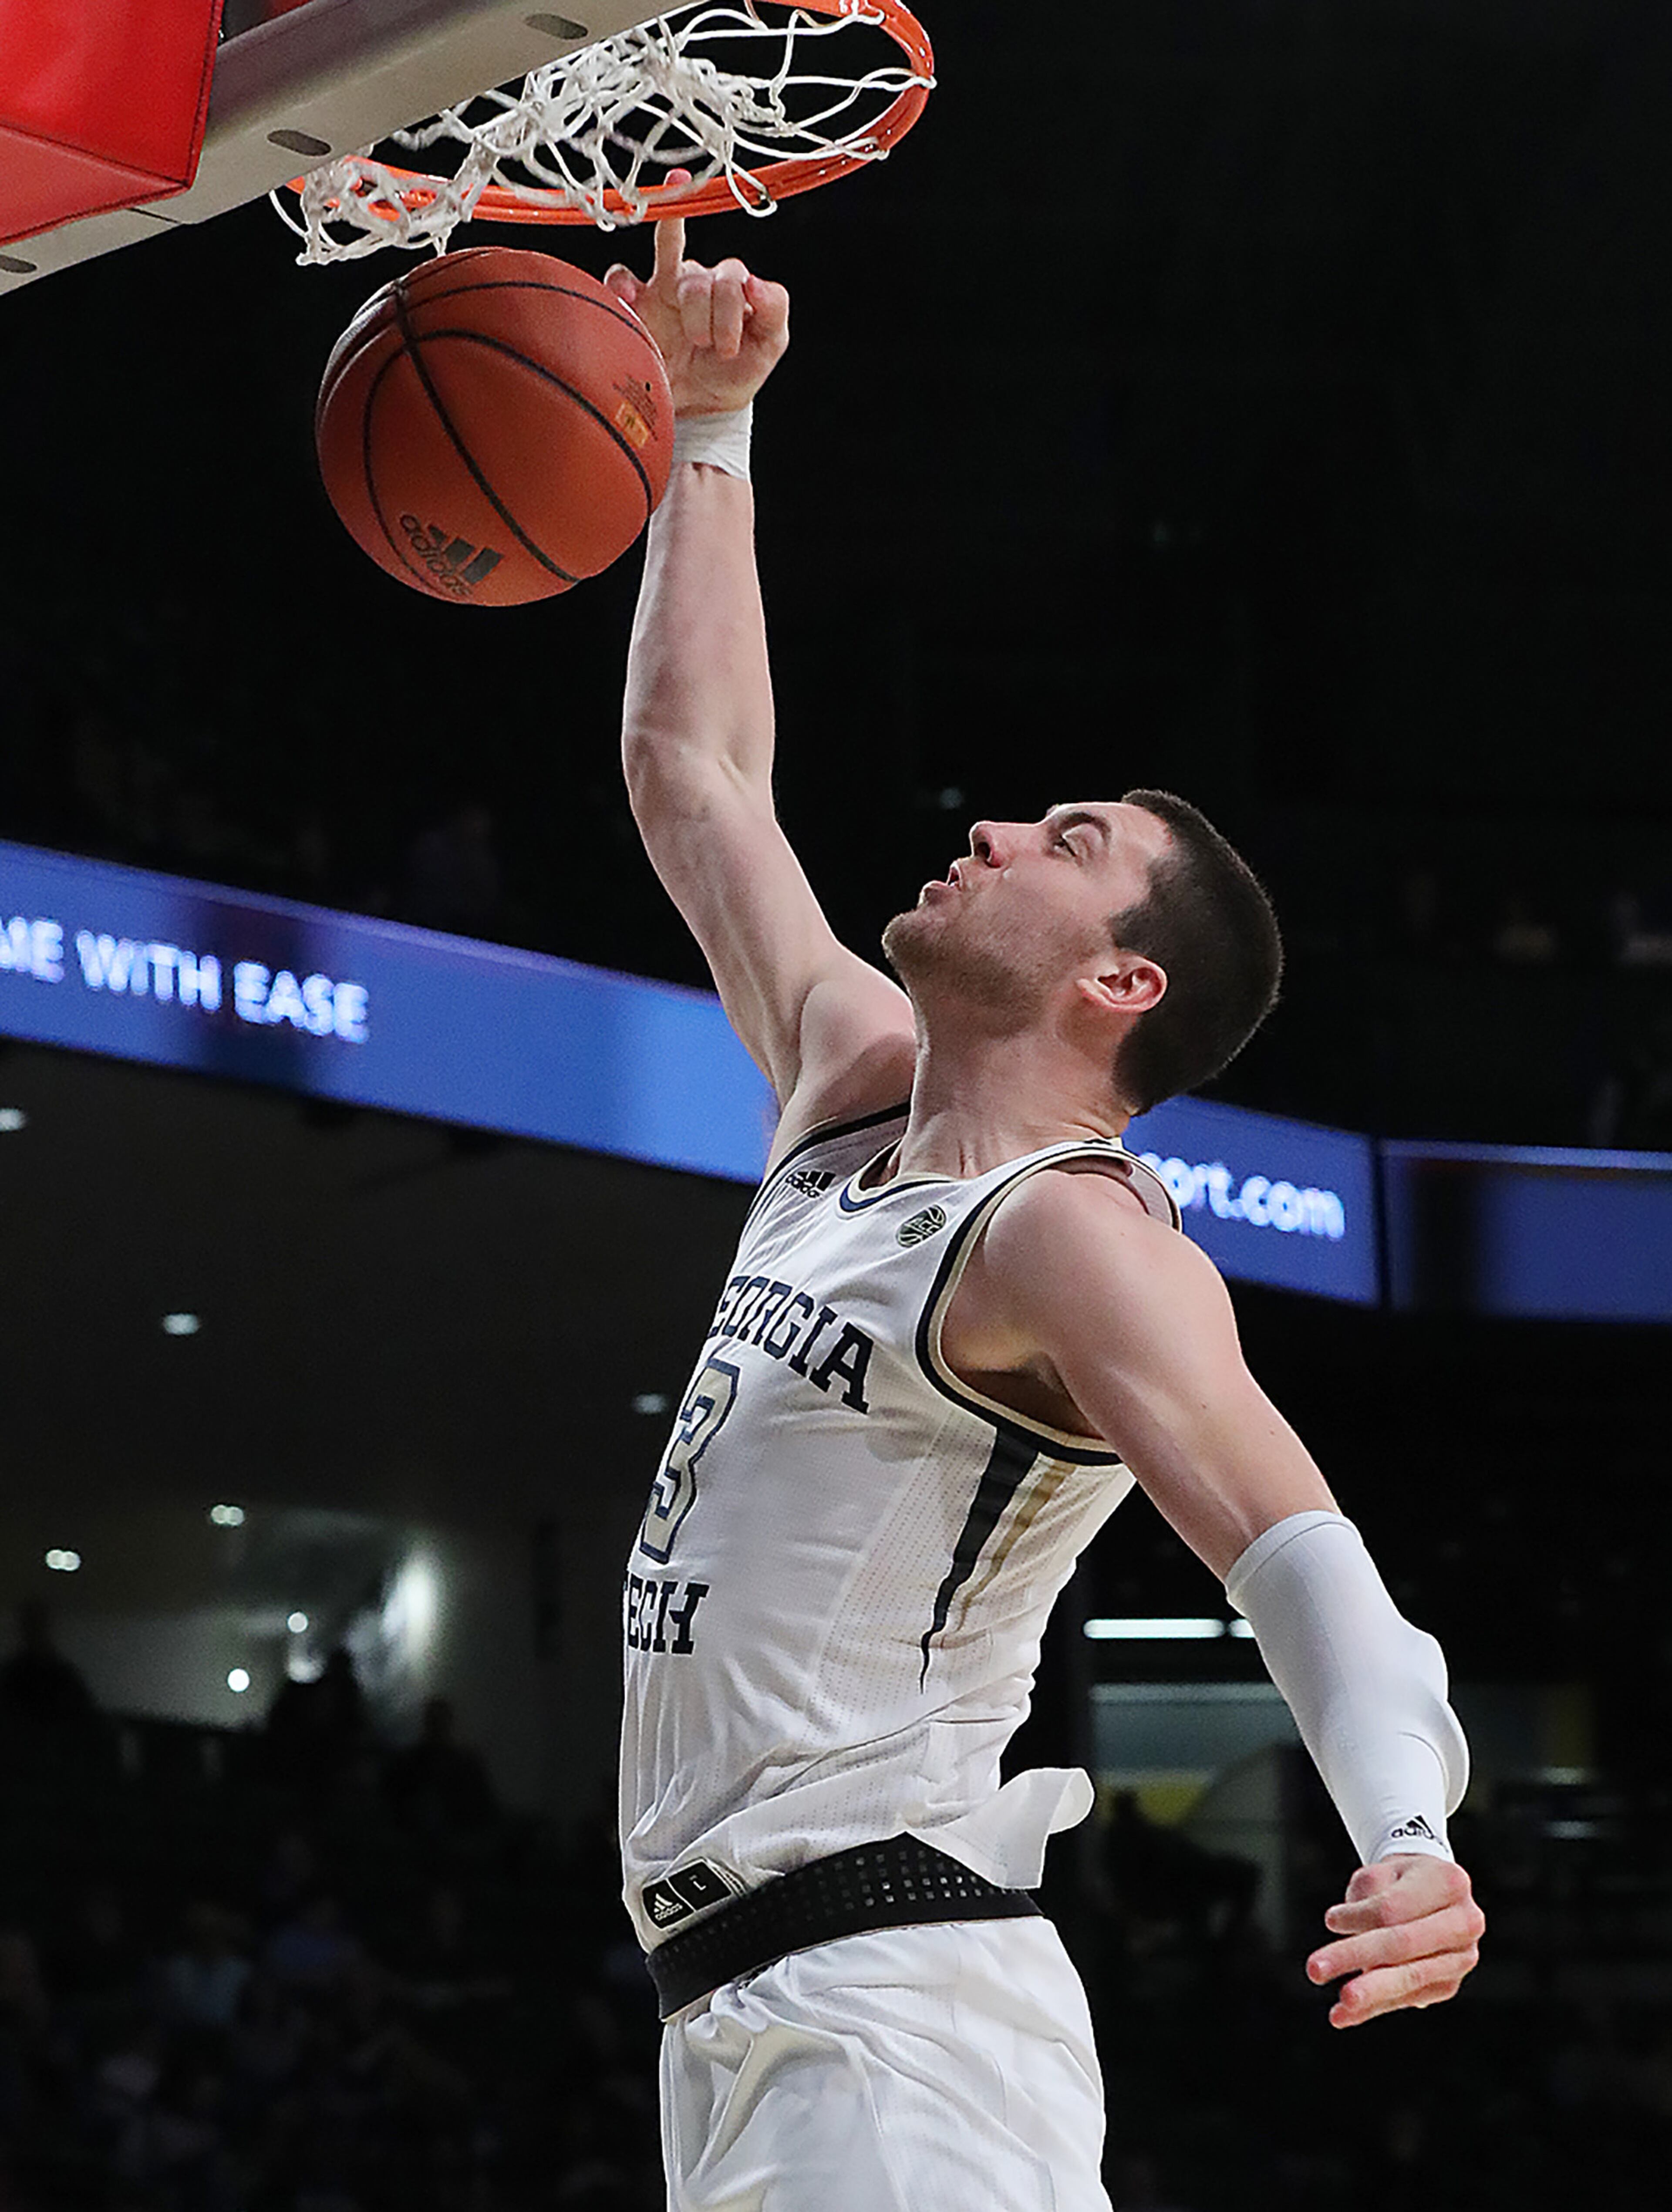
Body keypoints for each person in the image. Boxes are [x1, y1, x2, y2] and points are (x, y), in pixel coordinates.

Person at [602, 211, 1484, 2212]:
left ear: (1123, 982)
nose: (993, 827)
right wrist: (713, 431)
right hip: (734, 2009)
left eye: (1063, 843)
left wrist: (1412, 1831)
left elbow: (1293, 1539)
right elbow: (695, 777)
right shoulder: (845, 1095)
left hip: (899, 2008)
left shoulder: (1071, 1236)